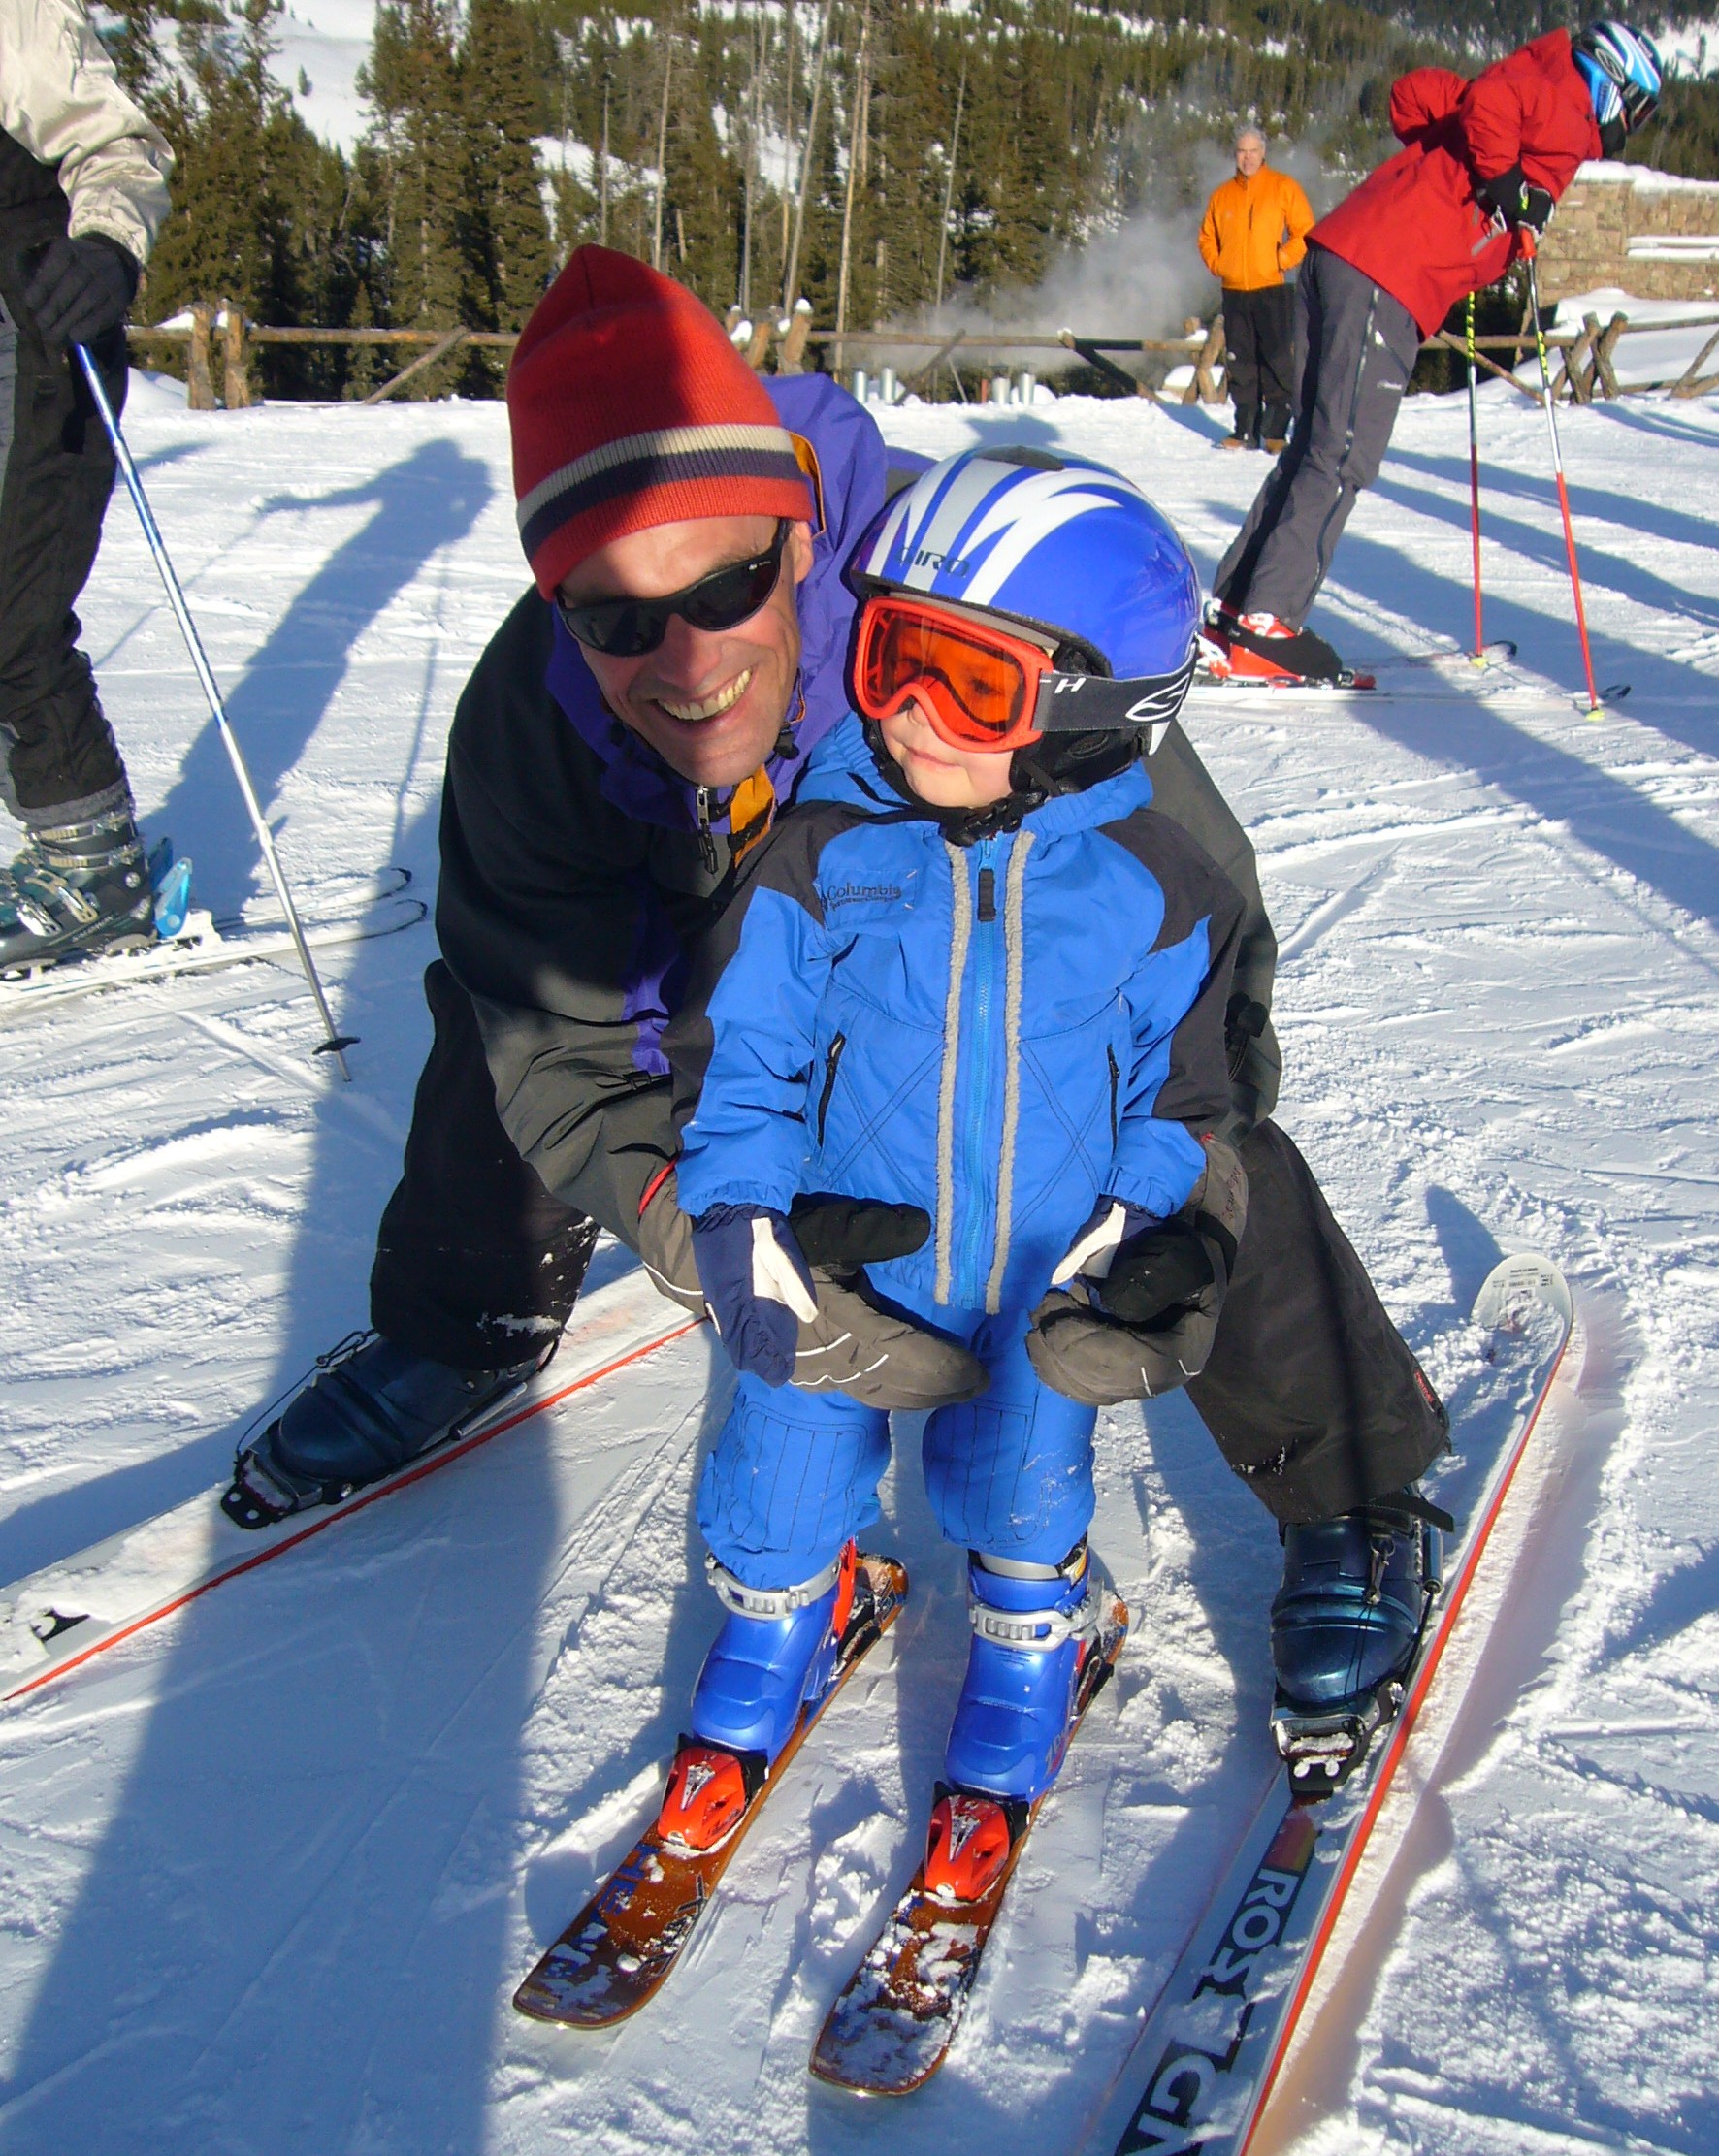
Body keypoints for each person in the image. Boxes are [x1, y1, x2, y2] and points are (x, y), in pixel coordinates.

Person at [228, 249, 1449, 1785]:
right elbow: (555, 1035)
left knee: (1178, 1120)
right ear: (558, 603)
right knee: (512, 1014)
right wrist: (707, 1232)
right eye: (615, 618)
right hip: (743, 990)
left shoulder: (967, 593)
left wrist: (1174, 1184)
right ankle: (462, 1317)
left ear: (801, 529)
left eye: (731, 585)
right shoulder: (530, 724)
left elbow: (1186, 922)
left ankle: (1352, 1480)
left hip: (979, 966)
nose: (684, 660)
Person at [657, 451, 1248, 1863]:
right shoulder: (826, 843)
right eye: (887, 659)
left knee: (1015, 1479)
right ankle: (782, 1615)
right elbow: (748, 1055)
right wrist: (746, 1221)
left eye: (964, 682)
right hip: (844, 1260)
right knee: (784, 1459)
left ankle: (1038, 1630)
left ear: (1097, 708)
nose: (905, 716)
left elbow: (1190, 1096)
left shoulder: (1162, 882)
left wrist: (1148, 1234)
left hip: (1041, 1274)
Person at [1203, 21, 1663, 687]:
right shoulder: (1565, 107)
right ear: (1613, 84)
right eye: (1640, 107)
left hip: (1341, 257)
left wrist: (1485, 177)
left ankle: (1237, 607)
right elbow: (1491, 109)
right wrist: (1505, 182)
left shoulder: (1535, 88)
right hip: (1387, 273)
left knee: (1316, 446)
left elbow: (1414, 97)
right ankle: (1267, 623)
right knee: (1344, 453)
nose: (1634, 124)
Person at [0, 0, 173, 965]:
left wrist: (104, 250)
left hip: (33, 322)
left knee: (12, 608)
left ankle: (93, 871)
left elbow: (119, 149)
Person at [1197, 125, 1312, 453]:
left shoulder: (1282, 188)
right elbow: (1206, 237)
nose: (1247, 158)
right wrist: (1220, 264)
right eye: (1241, 152)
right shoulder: (1222, 196)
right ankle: (1244, 429)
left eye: (1253, 151)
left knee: (1276, 360)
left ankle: (1275, 432)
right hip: (1235, 290)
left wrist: (1281, 258)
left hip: (1272, 288)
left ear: (1264, 153)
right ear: (1235, 155)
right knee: (1241, 362)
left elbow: (1304, 232)